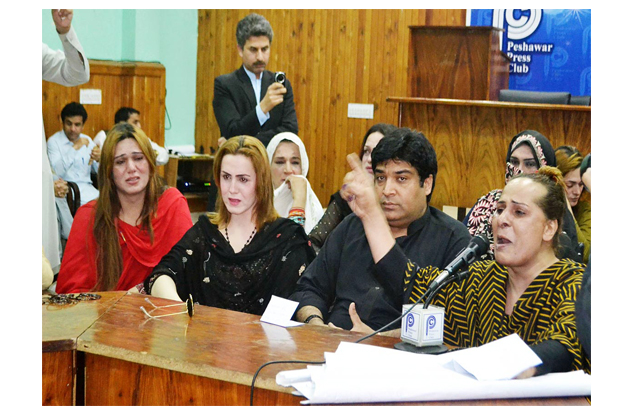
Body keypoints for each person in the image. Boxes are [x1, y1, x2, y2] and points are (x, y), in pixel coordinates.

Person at [351, 167, 586, 377]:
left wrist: (504, 369)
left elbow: (565, 346)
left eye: (519, 212)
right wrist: (370, 215)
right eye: (500, 209)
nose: (502, 220)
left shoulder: (574, 283)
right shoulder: (482, 279)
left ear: (549, 228)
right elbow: (408, 281)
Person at [290, 128, 471, 331]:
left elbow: (445, 326)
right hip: (330, 345)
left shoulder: (453, 239)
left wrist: (379, 339)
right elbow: (308, 288)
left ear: (427, 184)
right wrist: (316, 324)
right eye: (381, 178)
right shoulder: (352, 226)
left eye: (401, 179)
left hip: (399, 357)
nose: (387, 190)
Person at [145, 136, 316, 315]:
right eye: (226, 177)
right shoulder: (205, 233)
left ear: (261, 182)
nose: (232, 189)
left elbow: (305, 297)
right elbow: (162, 274)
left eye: (243, 179)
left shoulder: (286, 238)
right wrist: (178, 309)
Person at [56, 123, 193, 293]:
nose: (131, 168)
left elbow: (190, 276)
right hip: (106, 316)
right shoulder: (89, 216)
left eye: (138, 158)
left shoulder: (172, 205)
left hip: (164, 315)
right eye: (120, 162)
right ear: (109, 172)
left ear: (150, 163)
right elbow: (71, 293)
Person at [464, 130, 582, 262]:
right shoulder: (487, 202)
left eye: (530, 164)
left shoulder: (555, 212)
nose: (519, 170)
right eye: (514, 162)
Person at [42, 9, 90, 274]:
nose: (74, 129)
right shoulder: (55, 141)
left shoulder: (33, 51)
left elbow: (77, 74)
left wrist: (65, 31)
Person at [308, 123, 397, 252]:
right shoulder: (347, 197)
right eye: (366, 151)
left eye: (378, 152)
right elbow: (313, 242)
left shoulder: (394, 202)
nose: (370, 159)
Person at [213, 13, 298, 146]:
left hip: (271, 164)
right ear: (240, 50)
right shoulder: (225, 85)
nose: (260, 57)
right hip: (240, 165)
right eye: (253, 50)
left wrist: (243, 141)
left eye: (264, 49)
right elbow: (231, 131)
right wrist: (263, 108)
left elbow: (290, 132)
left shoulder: (281, 84)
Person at [266, 132, 324, 234]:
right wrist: (298, 204)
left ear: (303, 168)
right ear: (268, 167)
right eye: (280, 162)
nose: (288, 170)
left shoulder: (314, 209)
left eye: (295, 163)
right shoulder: (256, 209)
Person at [47, 102, 100, 205]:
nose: (72, 129)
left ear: (83, 125)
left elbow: (98, 172)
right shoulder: (54, 142)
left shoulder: (87, 140)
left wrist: (99, 159)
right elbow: (57, 172)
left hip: (89, 190)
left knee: (111, 205)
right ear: (62, 122)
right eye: (69, 123)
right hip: (68, 193)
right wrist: (75, 147)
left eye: (77, 125)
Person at [94, 107, 169, 166]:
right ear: (122, 123)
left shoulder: (139, 138)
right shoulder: (104, 136)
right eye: (135, 122)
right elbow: (93, 166)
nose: (139, 126)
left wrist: (151, 153)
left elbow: (164, 155)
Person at [556, 146, 591, 263]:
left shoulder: (584, 209)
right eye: (570, 185)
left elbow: (586, 255)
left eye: (581, 185)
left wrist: (568, 209)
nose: (577, 192)